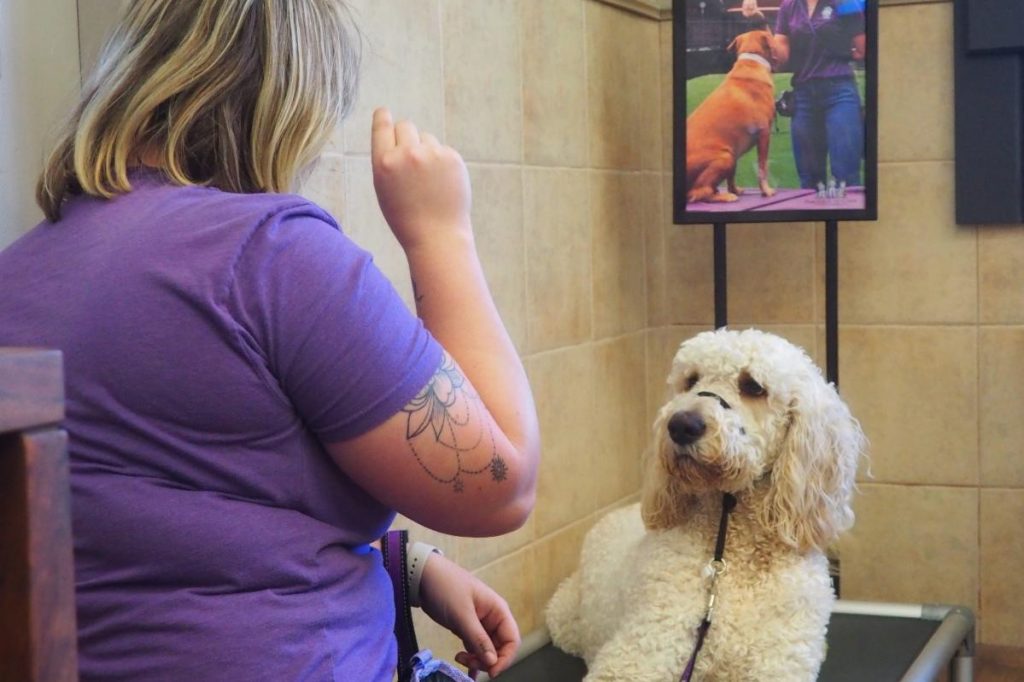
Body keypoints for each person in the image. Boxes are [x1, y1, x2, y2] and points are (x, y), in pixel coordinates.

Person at [0, 1, 540, 680]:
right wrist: (441, 232)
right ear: (291, 103)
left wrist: (405, 563)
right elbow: (502, 489)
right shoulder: (273, 253)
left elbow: (161, 518)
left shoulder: (14, 271)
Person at [771, 0, 866, 189]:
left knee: (846, 175)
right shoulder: (789, 6)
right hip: (804, 95)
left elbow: (862, 50)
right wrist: (760, 24)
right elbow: (780, 57)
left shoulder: (845, 3)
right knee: (809, 178)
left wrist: (840, 54)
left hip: (839, 92)